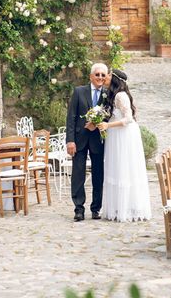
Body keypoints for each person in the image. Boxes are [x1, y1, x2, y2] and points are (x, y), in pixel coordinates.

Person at [97, 69, 151, 222]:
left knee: (124, 167)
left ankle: (127, 208)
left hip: (124, 135)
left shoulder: (121, 95)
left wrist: (108, 126)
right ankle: (118, 207)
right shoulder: (112, 95)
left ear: (113, 79)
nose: (105, 77)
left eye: (107, 75)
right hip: (116, 134)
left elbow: (128, 119)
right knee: (116, 167)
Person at [66, 62, 108, 222]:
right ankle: (79, 209)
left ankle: (96, 208)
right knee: (78, 174)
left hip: (98, 140)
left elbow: (109, 116)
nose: (100, 77)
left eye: (103, 75)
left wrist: (97, 123)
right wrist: (70, 140)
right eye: (97, 74)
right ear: (91, 76)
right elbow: (71, 117)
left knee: (98, 175)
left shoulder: (107, 94)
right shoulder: (79, 92)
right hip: (79, 139)